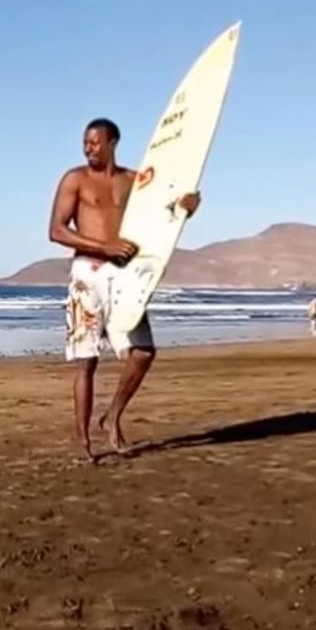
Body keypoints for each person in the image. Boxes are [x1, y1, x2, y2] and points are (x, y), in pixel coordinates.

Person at [49, 118, 201, 463]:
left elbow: (165, 212)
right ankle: (84, 440)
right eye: (85, 142)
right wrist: (104, 246)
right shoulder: (75, 180)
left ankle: (112, 415)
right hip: (87, 274)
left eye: (94, 142)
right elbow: (57, 231)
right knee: (86, 362)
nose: (87, 148)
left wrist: (186, 208)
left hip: (125, 276)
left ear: (112, 143)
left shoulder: (135, 181)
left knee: (143, 353)